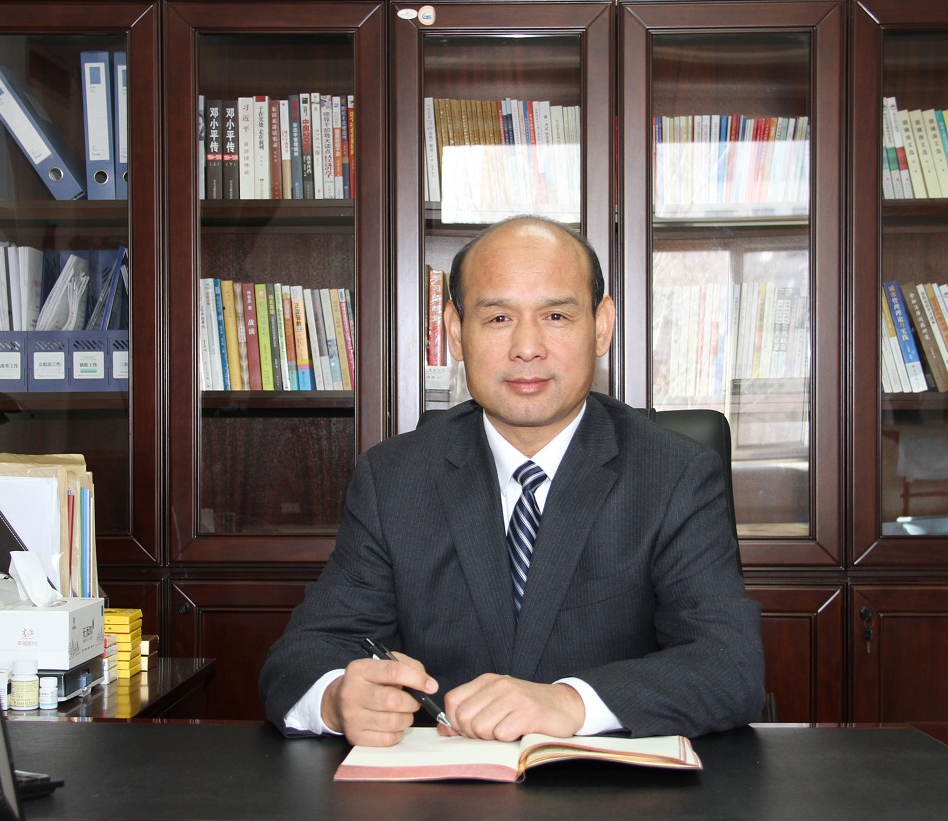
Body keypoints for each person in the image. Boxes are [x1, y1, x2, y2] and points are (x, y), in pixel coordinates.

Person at [259, 215, 763, 746]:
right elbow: (303, 655)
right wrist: (338, 698)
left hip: (606, 788)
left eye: (556, 316)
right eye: (498, 317)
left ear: (601, 327)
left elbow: (729, 665)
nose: (527, 347)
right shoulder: (393, 479)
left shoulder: (674, 474)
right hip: (442, 788)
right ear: (456, 333)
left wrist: (570, 703)